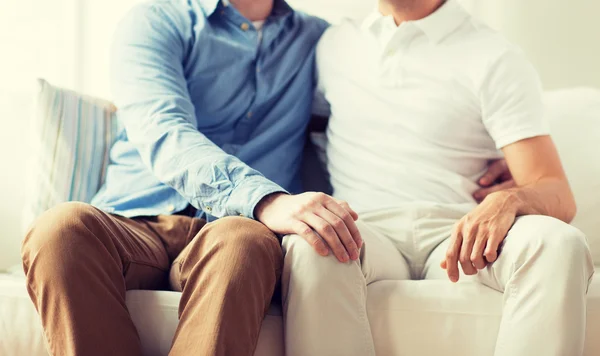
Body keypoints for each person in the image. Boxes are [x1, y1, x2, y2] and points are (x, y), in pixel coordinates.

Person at [20, 0, 514, 355]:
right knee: (58, 228)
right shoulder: (156, 20)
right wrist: (266, 199)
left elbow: (389, 108)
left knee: (243, 240)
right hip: (135, 222)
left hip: (235, 234)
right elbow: (162, 131)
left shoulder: (322, 42)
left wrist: (498, 154)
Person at [281, 1, 595, 356]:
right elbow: (307, 131)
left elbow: (554, 190)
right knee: (311, 245)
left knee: (559, 243)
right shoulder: (333, 45)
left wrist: (509, 199)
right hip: (364, 228)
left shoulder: (494, 55)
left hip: (459, 233)